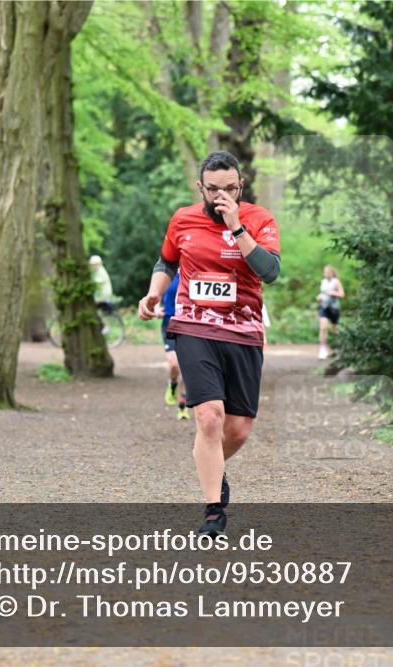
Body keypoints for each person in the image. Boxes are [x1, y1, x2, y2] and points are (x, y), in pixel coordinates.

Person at [138, 151, 280, 536]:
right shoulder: (183, 218)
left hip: (244, 332)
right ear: (200, 187)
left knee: (238, 428)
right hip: (193, 327)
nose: (221, 196)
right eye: (213, 189)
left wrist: (237, 228)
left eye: (230, 188)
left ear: (240, 186)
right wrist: (153, 295)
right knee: (208, 416)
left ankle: (213, 467)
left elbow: (270, 272)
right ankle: (213, 510)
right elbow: (166, 263)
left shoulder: (259, 219)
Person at [156, 271, 189, 420]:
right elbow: (155, 292)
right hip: (169, 323)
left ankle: (183, 407)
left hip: (191, 325)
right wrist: (156, 307)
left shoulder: (196, 270)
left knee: (189, 368)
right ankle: (173, 383)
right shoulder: (168, 272)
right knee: (174, 364)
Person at [316, 265, 344, 360]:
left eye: (328, 272)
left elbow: (342, 294)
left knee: (334, 329)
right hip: (324, 307)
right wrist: (319, 297)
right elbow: (322, 293)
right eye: (325, 272)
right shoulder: (323, 282)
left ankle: (336, 348)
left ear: (332, 273)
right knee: (323, 327)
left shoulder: (336, 281)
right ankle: (322, 349)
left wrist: (333, 293)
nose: (326, 273)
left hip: (334, 308)